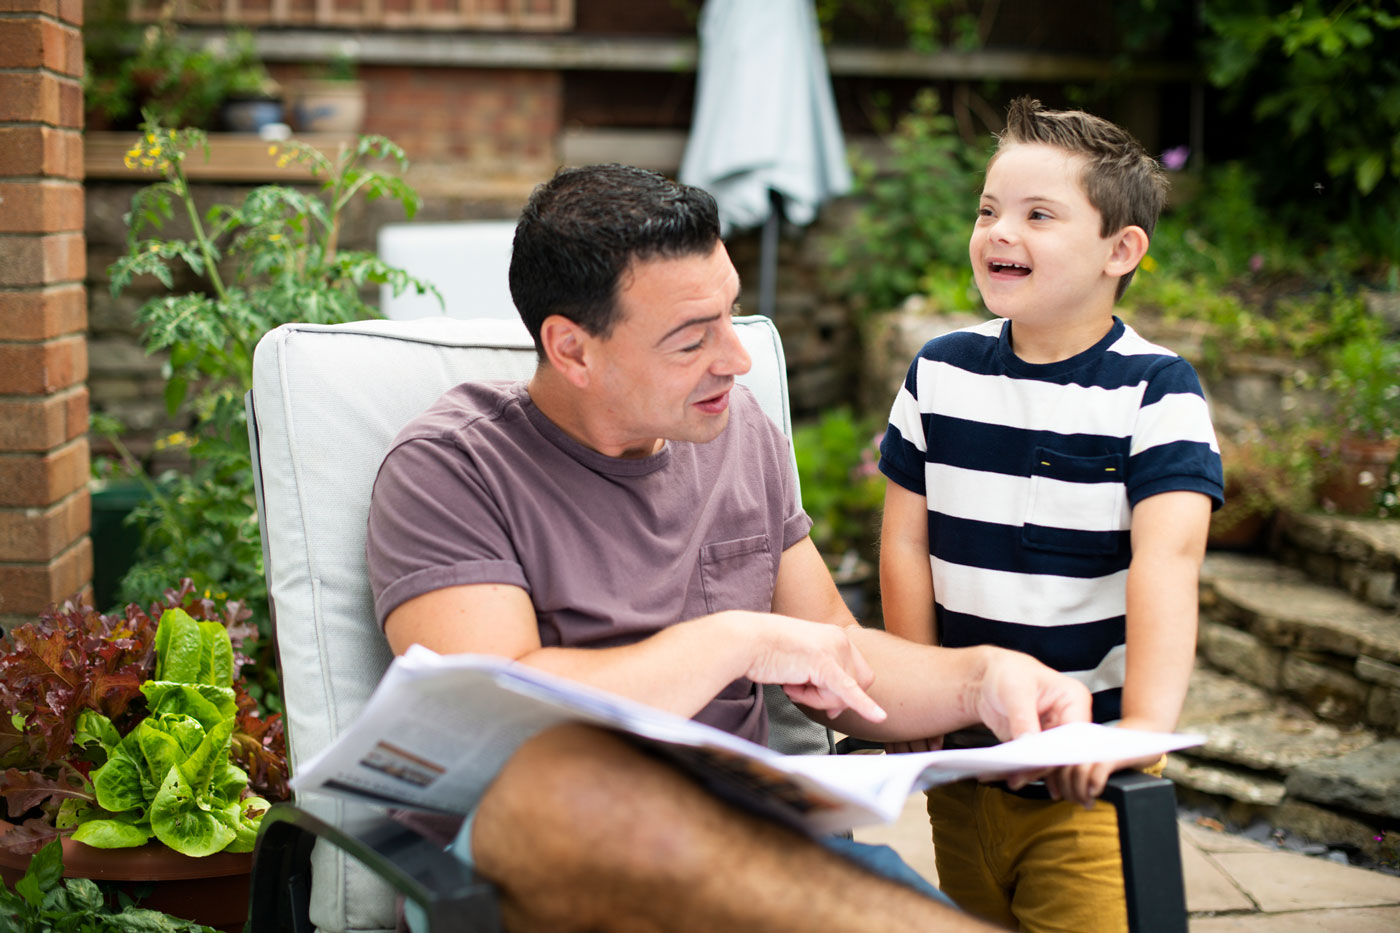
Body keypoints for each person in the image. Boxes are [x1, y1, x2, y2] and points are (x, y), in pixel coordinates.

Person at [366, 162, 1097, 930]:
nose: (736, 358)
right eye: (691, 339)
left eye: (731, 315)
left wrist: (983, 677)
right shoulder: (451, 469)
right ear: (572, 349)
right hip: (548, 869)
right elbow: (493, 717)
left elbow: (838, 653)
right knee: (552, 783)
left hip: (753, 851)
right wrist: (736, 640)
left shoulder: (735, 429)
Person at [878, 97, 1224, 933]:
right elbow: (903, 540)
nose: (1001, 232)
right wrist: (916, 690)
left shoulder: (1156, 389)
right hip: (966, 762)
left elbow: (1168, 564)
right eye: (989, 209)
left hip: (1084, 779)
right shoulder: (940, 373)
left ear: (1121, 250)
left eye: (1039, 215)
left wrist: (1140, 726)